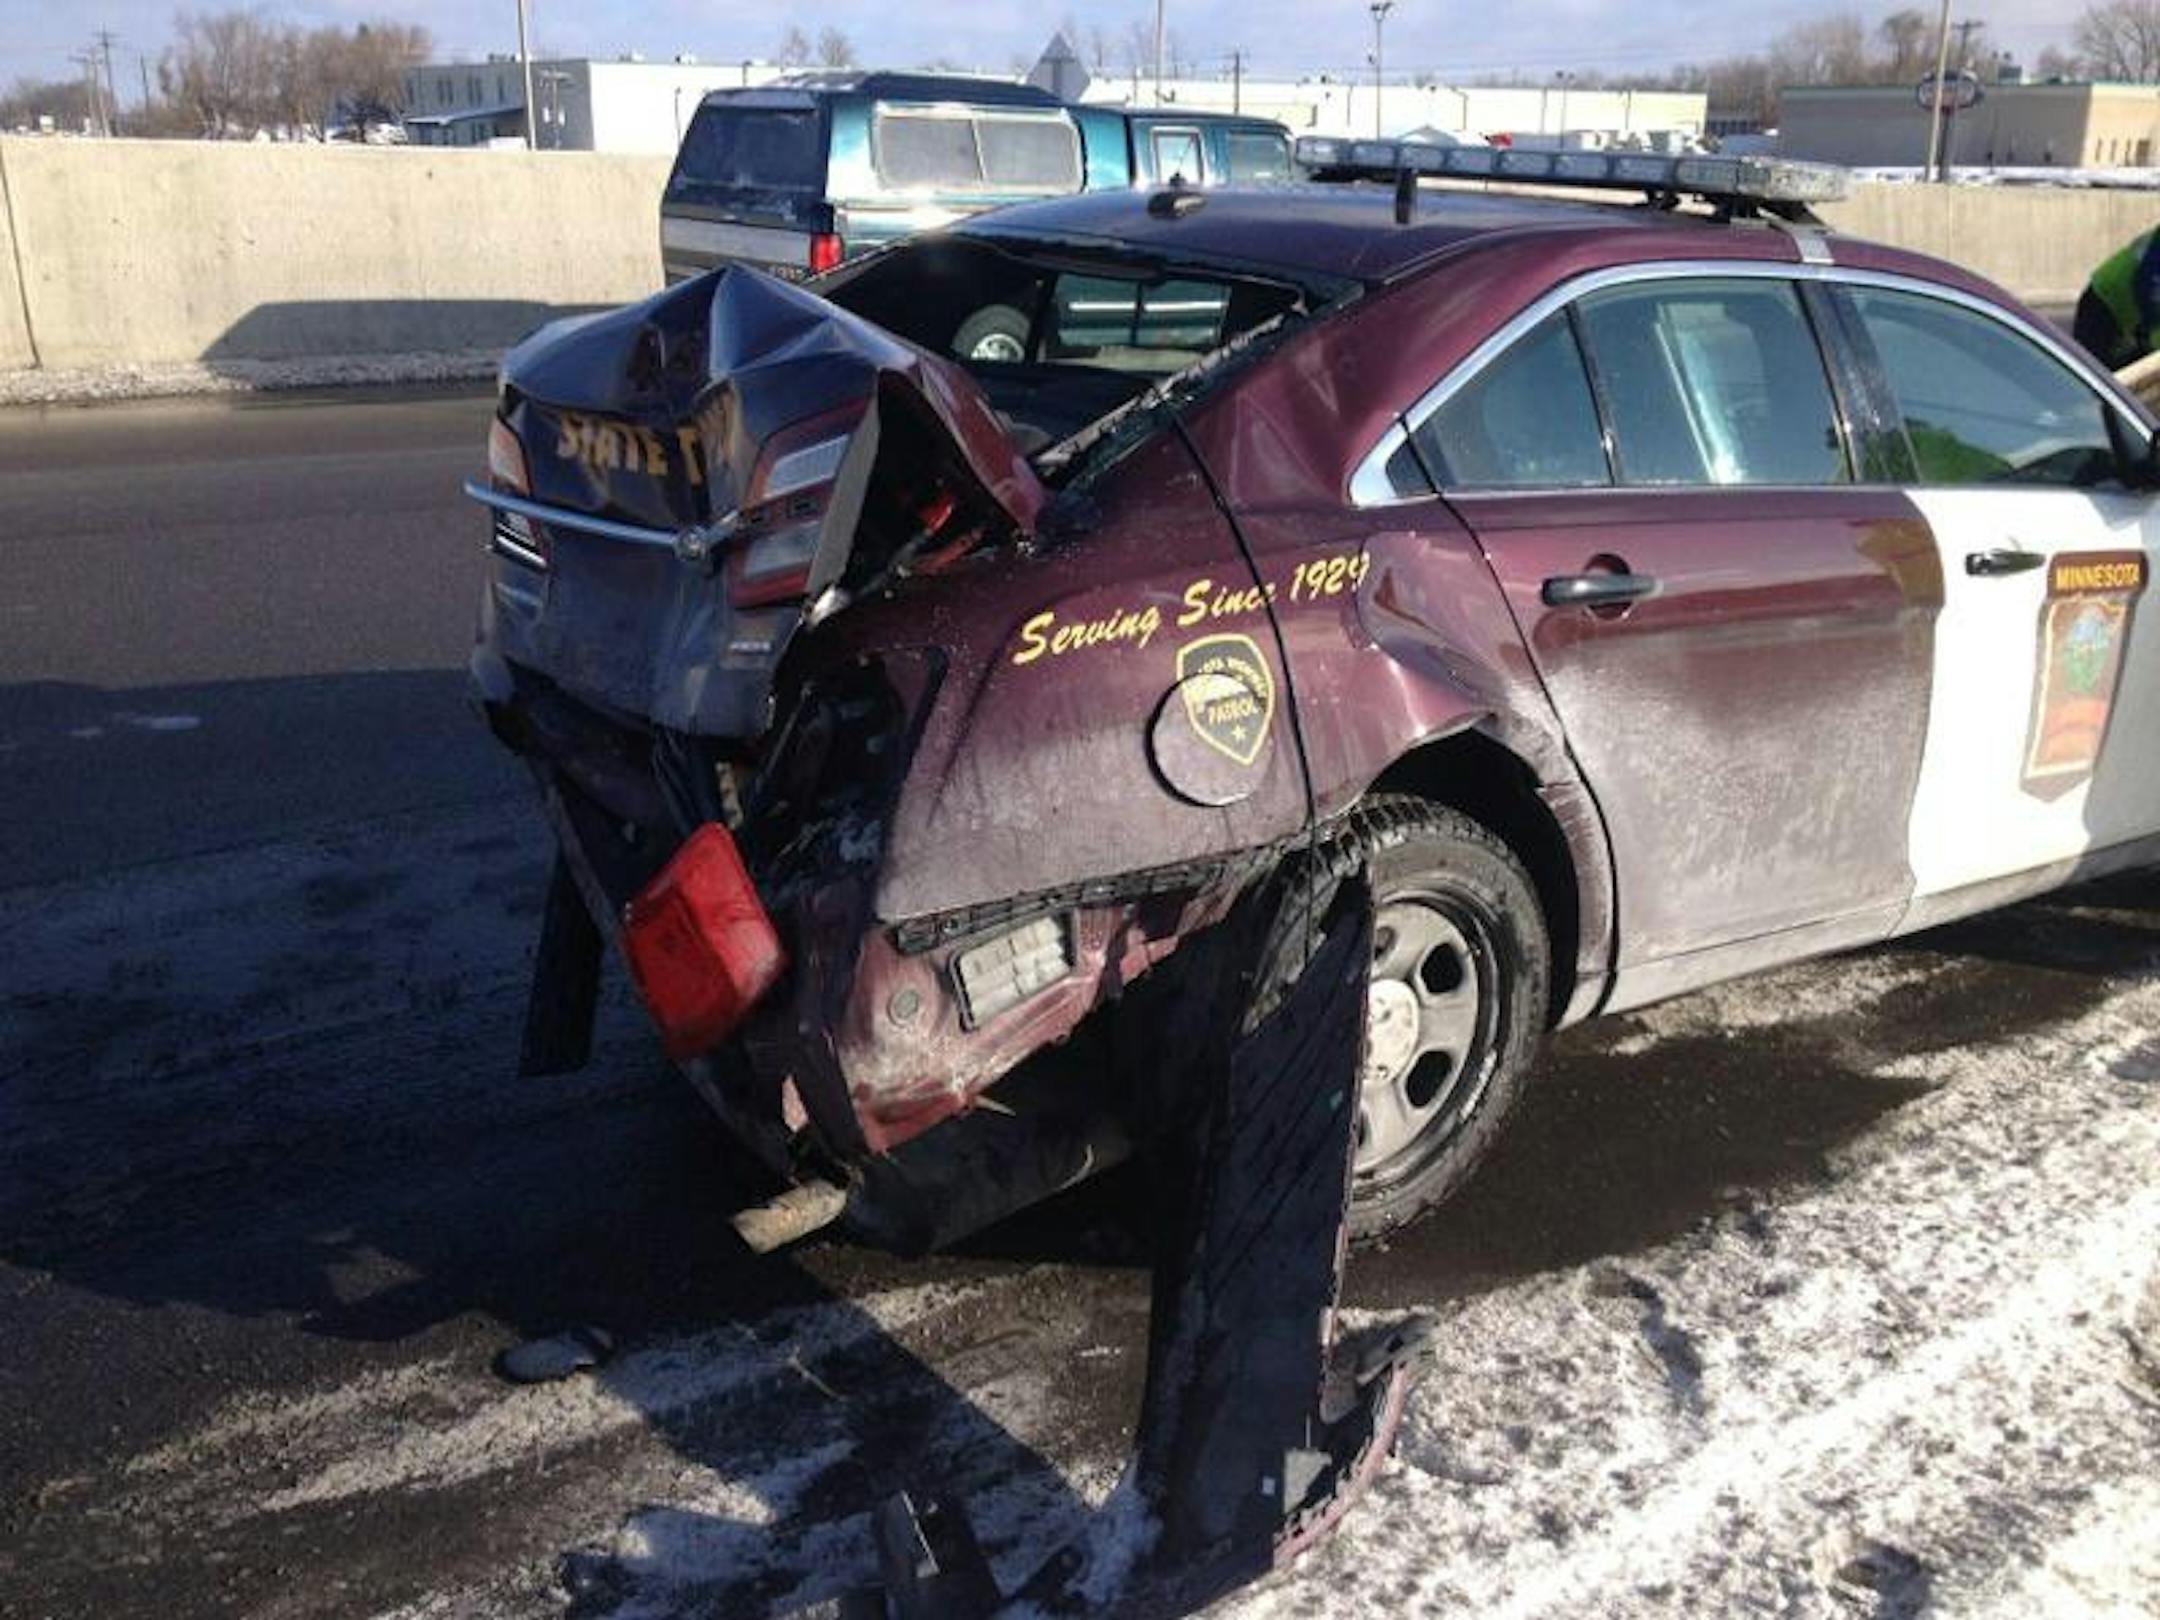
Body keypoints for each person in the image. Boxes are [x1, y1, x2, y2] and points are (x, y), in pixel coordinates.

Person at [2073, 226, 2160, 370]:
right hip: (2104, 299)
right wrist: (2145, 333)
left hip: (2128, 308)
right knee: (2090, 370)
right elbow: (2147, 283)